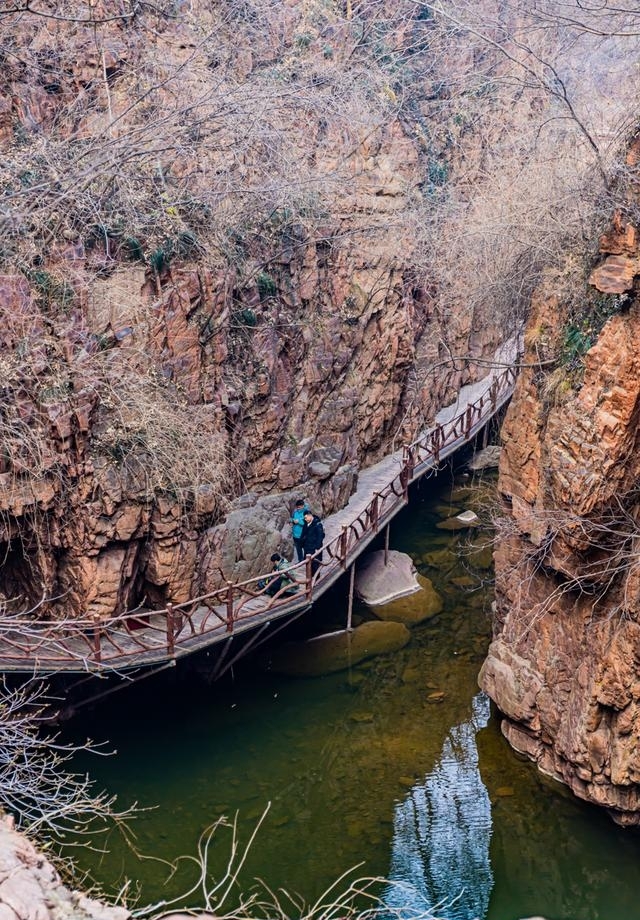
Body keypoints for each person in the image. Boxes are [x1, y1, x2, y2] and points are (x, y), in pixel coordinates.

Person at [301, 510, 324, 576]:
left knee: (315, 566)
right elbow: (303, 534)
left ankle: (316, 582)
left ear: (310, 515)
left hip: (314, 549)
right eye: (304, 518)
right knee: (308, 566)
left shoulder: (317, 524)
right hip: (307, 548)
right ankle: (310, 582)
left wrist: (317, 548)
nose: (305, 519)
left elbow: (320, 537)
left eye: (306, 518)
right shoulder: (306, 524)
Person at [290, 498, 309, 562]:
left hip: (303, 535)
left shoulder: (306, 512)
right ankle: (300, 560)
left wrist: (299, 521)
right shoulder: (295, 512)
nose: (298, 508)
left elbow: (306, 523)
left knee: (306, 548)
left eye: (299, 507)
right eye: (297, 507)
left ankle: (306, 560)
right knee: (298, 549)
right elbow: (291, 519)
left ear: (303, 506)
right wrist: (293, 520)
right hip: (295, 534)